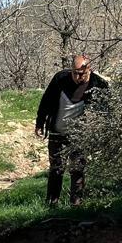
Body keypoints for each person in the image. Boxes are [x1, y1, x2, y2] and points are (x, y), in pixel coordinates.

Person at [35, 55, 109, 206]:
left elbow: (109, 107)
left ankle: (76, 204)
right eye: (74, 72)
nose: (77, 76)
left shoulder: (98, 84)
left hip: (79, 136)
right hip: (57, 132)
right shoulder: (60, 79)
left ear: (90, 70)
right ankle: (51, 203)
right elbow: (46, 101)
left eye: (81, 73)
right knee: (56, 169)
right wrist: (39, 123)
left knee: (77, 169)